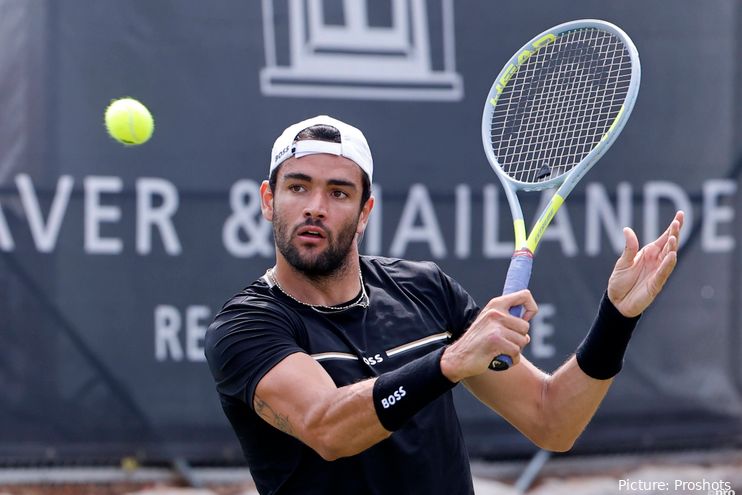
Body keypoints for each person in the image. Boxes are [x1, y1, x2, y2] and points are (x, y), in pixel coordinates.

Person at [204, 115, 684, 495]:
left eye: (338, 192)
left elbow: (551, 420)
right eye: (297, 187)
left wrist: (617, 318)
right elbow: (328, 427)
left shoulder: (426, 289)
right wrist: (450, 361)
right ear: (269, 200)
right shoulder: (246, 326)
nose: (315, 206)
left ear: (365, 211)